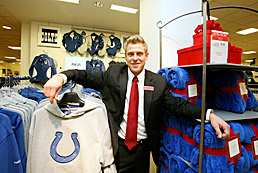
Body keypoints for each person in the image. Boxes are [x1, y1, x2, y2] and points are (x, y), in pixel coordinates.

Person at [43, 35, 230, 173]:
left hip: (142, 149)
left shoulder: (158, 82)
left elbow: (178, 105)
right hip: (116, 145)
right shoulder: (113, 74)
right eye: (131, 54)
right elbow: (84, 75)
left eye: (139, 54)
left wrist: (209, 115)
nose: (135, 58)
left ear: (146, 56)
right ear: (125, 56)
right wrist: (61, 77)